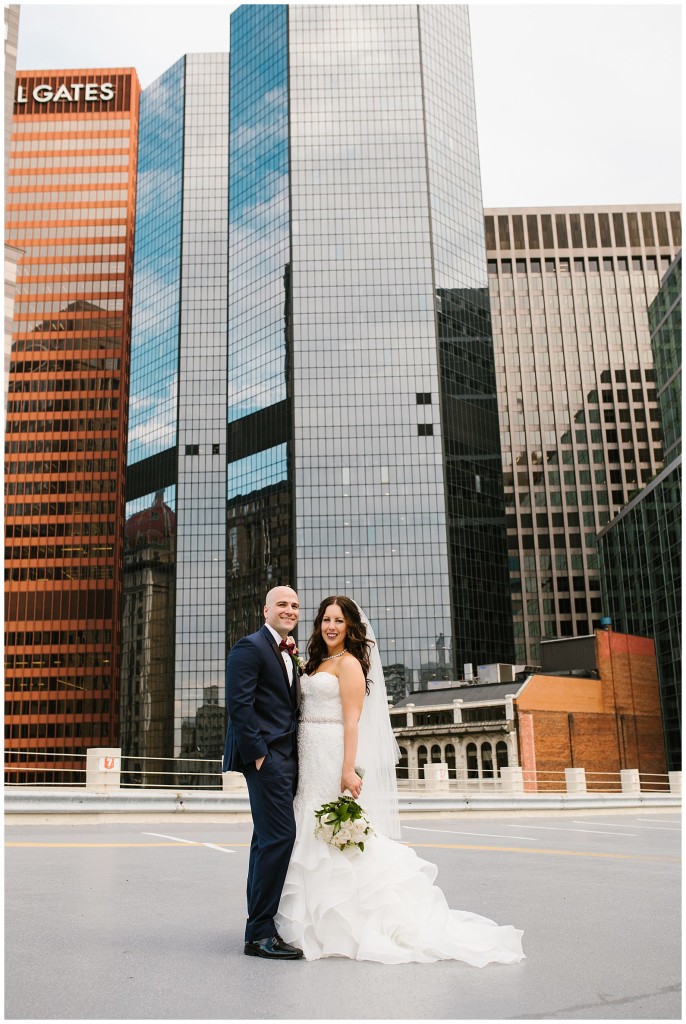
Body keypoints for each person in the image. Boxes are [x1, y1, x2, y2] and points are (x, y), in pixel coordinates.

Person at [275, 596, 525, 966]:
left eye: (338, 621)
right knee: (309, 829)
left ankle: (342, 922)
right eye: (325, 619)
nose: (330, 626)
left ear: (350, 628)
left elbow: (353, 721)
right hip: (308, 757)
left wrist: (348, 770)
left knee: (332, 832)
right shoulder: (314, 662)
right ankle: (310, 920)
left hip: (332, 756)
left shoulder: (349, 665)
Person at [222, 585, 304, 960]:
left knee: (265, 841)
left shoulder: (287, 651)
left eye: (295, 606)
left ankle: (258, 925)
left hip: (287, 759)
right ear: (265, 609)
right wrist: (259, 757)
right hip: (267, 759)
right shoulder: (250, 647)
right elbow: (239, 706)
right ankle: (259, 935)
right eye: (282, 604)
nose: (289, 610)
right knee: (280, 838)